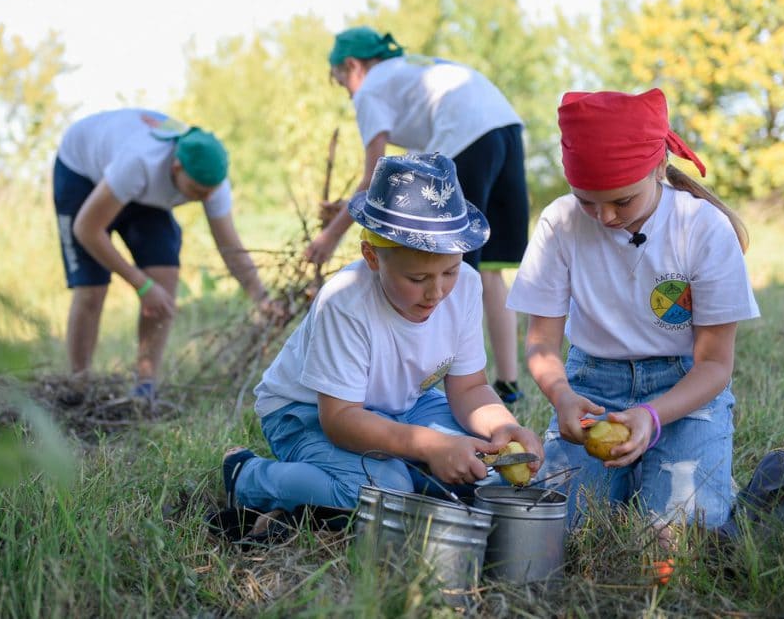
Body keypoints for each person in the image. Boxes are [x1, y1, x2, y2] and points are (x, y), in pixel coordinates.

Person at [223, 152, 543, 513]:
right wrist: (429, 446)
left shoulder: (467, 287)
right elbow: (341, 419)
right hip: (311, 412)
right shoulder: (345, 301)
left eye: (449, 272)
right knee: (387, 489)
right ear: (372, 257)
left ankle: (392, 479)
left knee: (484, 469)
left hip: (403, 407)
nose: (436, 292)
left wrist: (503, 427)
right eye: (417, 278)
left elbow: (468, 387)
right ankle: (248, 477)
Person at [506, 88, 760, 531]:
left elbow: (715, 364)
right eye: (588, 200)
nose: (604, 217)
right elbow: (542, 343)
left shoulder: (702, 229)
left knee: (681, 534)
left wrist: (652, 415)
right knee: (561, 527)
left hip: (683, 388)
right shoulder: (560, 222)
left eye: (622, 201)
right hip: (593, 386)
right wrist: (561, 395)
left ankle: (690, 466)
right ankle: (645, 475)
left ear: (659, 167)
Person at [307, 26, 529, 404]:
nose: (345, 90)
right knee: (488, 267)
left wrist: (330, 236)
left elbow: (374, 176)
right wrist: (344, 206)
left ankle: (459, 385)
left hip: (465, 136)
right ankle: (508, 384)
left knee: (453, 263)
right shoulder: (407, 72)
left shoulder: (371, 88)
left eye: (339, 80)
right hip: (504, 127)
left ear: (352, 66)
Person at [52, 108, 273, 399]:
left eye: (210, 192)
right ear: (176, 167)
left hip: (144, 192)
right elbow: (87, 230)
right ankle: (78, 385)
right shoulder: (140, 161)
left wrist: (261, 297)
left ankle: (145, 386)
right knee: (92, 288)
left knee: (165, 280)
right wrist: (141, 284)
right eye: (196, 191)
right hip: (82, 172)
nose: (204, 199)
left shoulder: (212, 181)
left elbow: (229, 247)